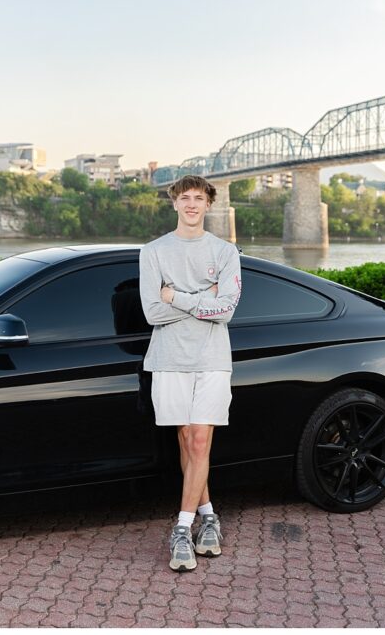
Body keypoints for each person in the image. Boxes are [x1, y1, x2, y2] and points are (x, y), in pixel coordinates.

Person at [139, 175, 242, 572]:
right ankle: (209, 517)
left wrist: (176, 296)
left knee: (200, 440)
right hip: (168, 359)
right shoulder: (153, 251)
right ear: (175, 203)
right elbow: (153, 312)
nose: (192, 204)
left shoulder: (225, 251)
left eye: (199, 198)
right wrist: (204, 298)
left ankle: (181, 529)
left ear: (209, 204)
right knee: (186, 441)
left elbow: (226, 310)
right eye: (185, 198)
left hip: (212, 358)